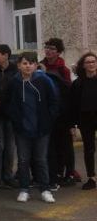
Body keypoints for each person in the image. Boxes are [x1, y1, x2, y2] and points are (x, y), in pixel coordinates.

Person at [6, 53, 58, 203]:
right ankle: (24, 189)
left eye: (31, 63)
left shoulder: (44, 80)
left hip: (41, 127)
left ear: (36, 65)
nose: (27, 66)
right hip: (22, 128)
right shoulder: (14, 82)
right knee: (23, 160)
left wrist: (49, 119)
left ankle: (45, 189)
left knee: (41, 159)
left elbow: (54, 101)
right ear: (19, 65)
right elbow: (8, 102)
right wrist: (15, 119)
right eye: (24, 63)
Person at [42, 37, 77, 187]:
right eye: (47, 47)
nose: (49, 51)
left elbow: (68, 92)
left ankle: (69, 173)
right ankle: (54, 172)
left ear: (59, 52)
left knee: (65, 144)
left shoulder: (64, 69)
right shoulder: (40, 66)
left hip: (63, 113)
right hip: (46, 112)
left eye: (52, 49)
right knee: (51, 145)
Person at [0, 44, 19, 189]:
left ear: (6, 55)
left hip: (11, 114)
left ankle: (8, 175)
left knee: (10, 146)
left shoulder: (15, 70)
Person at [70, 52, 97, 190]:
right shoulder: (78, 83)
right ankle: (91, 177)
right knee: (89, 149)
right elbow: (74, 105)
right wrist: (73, 125)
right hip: (85, 119)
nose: (91, 64)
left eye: (93, 61)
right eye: (88, 62)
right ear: (83, 65)